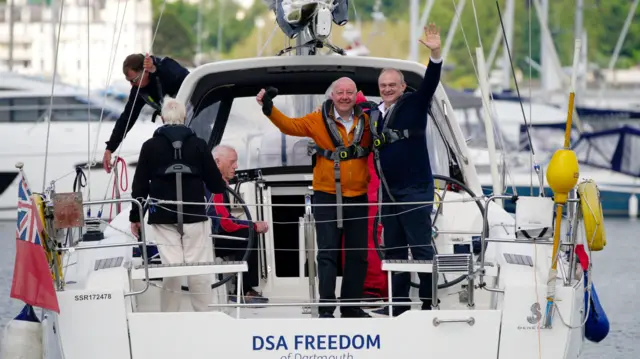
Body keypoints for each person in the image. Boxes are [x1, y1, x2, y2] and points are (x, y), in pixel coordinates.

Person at [256, 78, 372, 318]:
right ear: (332, 95)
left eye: (349, 92)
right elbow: (289, 126)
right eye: (340, 92)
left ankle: (351, 307)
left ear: (356, 95)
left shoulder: (368, 120)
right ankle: (326, 309)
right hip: (327, 195)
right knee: (327, 253)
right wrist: (269, 107)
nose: (344, 96)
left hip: (358, 196)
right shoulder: (317, 119)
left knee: (358, 254)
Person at [366, 23, 443, 316]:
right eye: (383, 86)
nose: (387, 89)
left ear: (401, 87)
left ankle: (428, 303)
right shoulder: (376, 113)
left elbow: (430, 82)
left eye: (392, 85)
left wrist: (435, 53)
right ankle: (397, 305)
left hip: (414, 189)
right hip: (389, 192)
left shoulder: (413, 102)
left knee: (421, 248)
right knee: (394, 250)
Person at [129, 96, 227, 312]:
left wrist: (135, 218)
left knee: (171, 268)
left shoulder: (150, 147)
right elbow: (216, 184)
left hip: (163, 217)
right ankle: (204, 315)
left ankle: (169, 317)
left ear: (163, 118)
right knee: (199, 268)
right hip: (194, 216)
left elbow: (140, 186)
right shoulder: (199, 145)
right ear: (184, 117)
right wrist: (222, 183)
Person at [204, 144, 270, 304]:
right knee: (248, 234)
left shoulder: (210, 182)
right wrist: (253, 225)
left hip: (204, 235)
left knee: (245, 232)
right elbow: (225, 224)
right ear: (217, 162)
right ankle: (244, 290)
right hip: (208, 239)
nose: (236, 166)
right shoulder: (215, 186)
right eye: (232, 162)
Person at [104, 53, 190, 173]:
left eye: (134, 80)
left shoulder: (165, 66)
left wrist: (155, 69)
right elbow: (127, 118)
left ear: (145, 71)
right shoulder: (138, 90)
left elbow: (184, 77)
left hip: (194, 116)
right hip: (173, 129)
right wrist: (110, 148)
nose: (132, 85)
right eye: (129, 81)